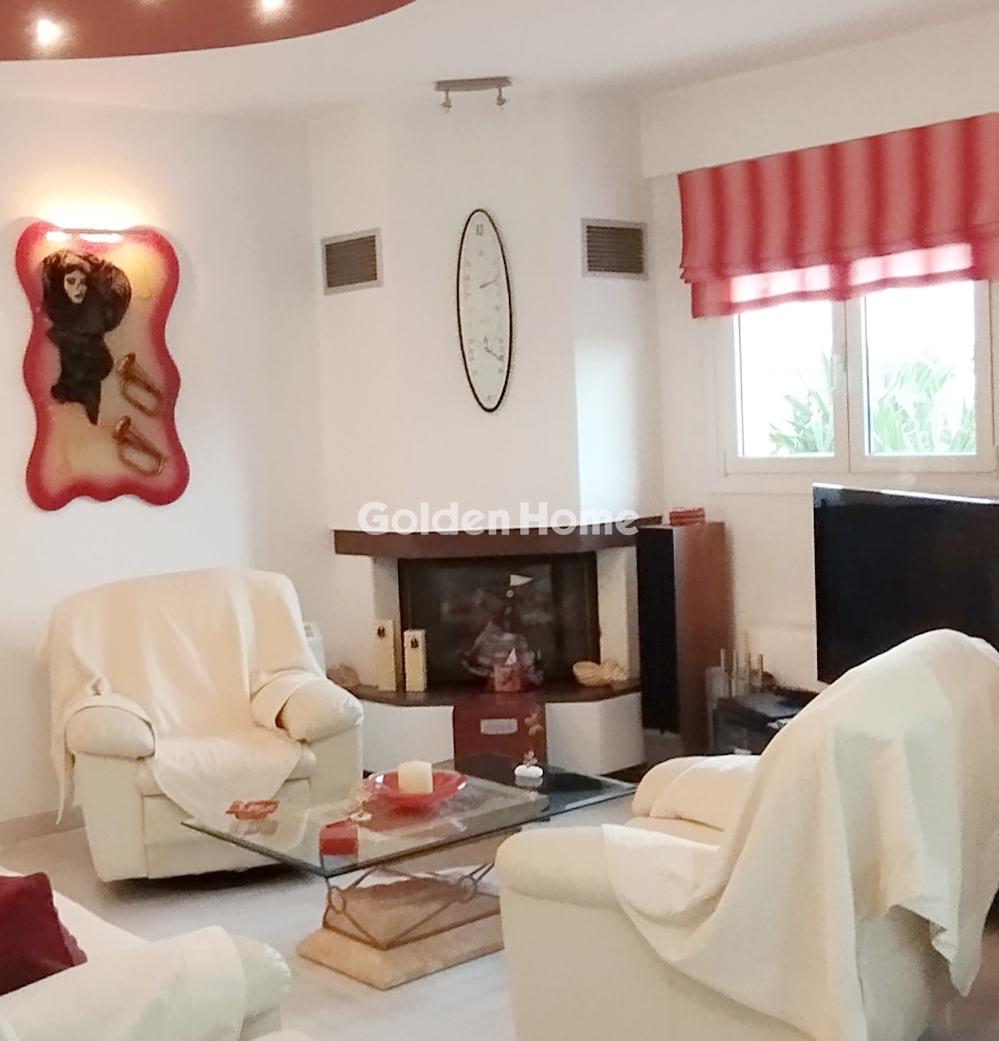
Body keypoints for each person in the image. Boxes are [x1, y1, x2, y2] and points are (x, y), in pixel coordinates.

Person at [41, 249, 132, 425]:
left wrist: (93, 264)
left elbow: (119, 287)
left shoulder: (96, 316)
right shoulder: (59, 313)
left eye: (82, 282)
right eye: (71, 281)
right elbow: (49, 269)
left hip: (91, 380)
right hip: (68, 395)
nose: (78, 288)